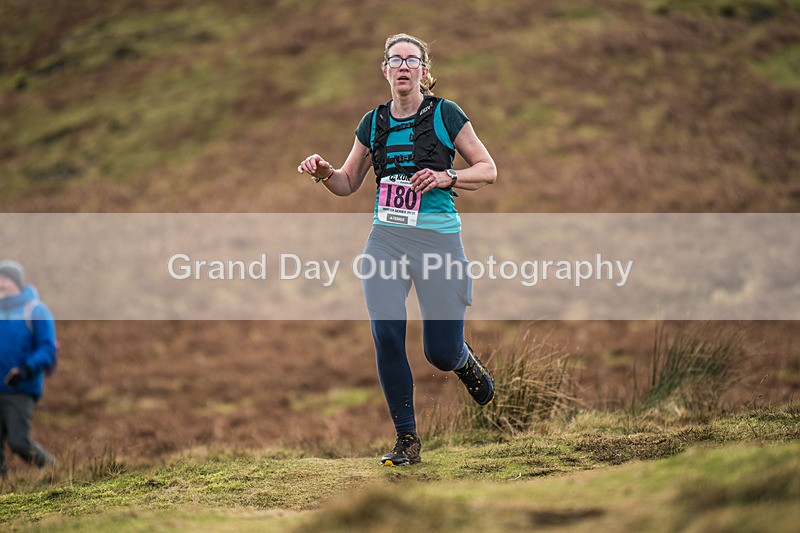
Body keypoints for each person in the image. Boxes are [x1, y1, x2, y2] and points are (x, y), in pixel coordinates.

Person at [298, 34, 497, 466]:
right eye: (396, 60)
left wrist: (449, 177)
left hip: (438, 243)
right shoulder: (372, 123)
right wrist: (324, 171)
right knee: (386, 334)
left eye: (412, 60)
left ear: (424, 70)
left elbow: (488, 169)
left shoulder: (446, 113)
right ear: (384, 70)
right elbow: (348, 183)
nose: (404, 66)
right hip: (385, 242)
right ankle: (407, 440)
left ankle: (463, 361)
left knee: (439, 353)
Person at [0, 260, 57, 477]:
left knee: (18, 442)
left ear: (16, 283)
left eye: (5, 279)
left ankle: (55, 470)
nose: (0, 284)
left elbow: (47, 348)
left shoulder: (35, 310)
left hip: (19, 387)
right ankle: (4, 495)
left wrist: (24, 370)